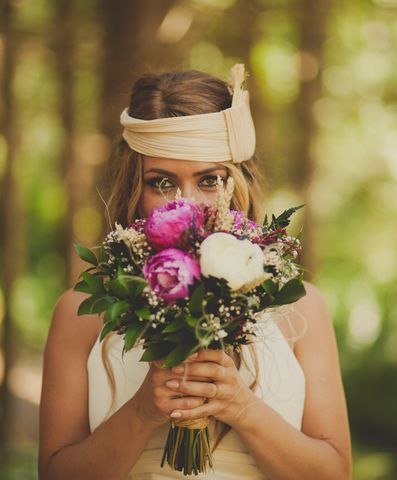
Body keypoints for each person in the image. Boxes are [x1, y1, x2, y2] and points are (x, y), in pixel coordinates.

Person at [38, 64, 351, 479]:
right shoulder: (81, 312)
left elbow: (336, 473)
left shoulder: (302, 309)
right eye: (162, 183)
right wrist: (143, 410)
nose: (186, 206)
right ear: (135, 187)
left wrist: (242, 407)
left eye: (209, 180)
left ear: (236, 182)